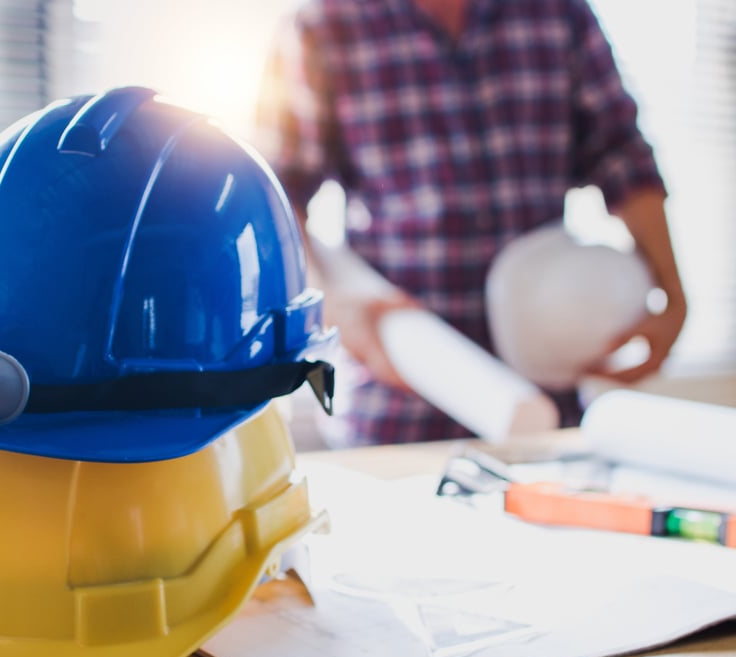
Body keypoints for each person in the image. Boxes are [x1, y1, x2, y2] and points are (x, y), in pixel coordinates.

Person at [255, 0, 687, 447]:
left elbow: (622, 157)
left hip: (542, 396)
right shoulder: (324, 25)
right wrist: (337, 306)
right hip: (397, 404)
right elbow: (274, 199)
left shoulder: (560, 14)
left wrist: (671, 293)